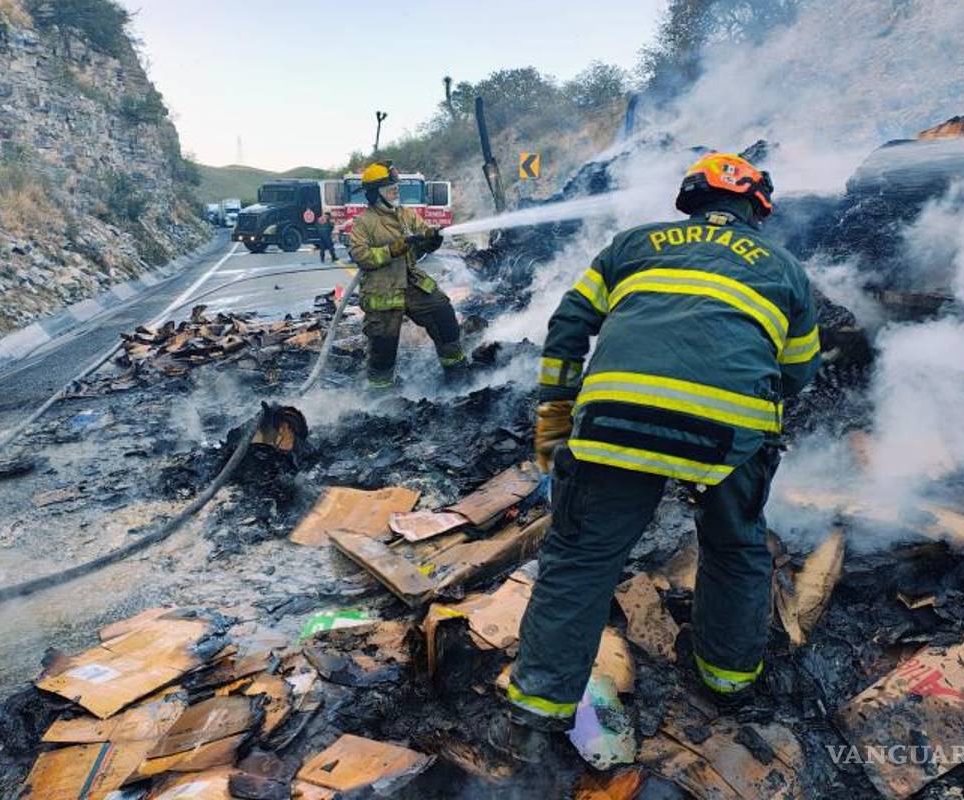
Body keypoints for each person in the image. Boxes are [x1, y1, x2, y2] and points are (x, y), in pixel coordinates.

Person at [492, 152, 822, 762]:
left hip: (615, 421)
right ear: (757, 205)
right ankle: (727, 682)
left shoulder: (632, 245)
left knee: (581, 557)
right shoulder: (786, 269)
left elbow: (568, 326)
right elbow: (799, 373)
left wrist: (555, 412)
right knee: (735, 547)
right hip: (729, 436)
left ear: (691, 199)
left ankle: (534, 717)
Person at [347, 161, 467, 389]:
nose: (395, 191)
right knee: (384, 348)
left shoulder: (406, 215)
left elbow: (422, 244)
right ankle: (380, 398)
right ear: (375, 194)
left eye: (395, 187)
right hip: (382, 291)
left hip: (413, 284)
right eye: (389, 188)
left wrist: (432, 239)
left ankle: (457, 375)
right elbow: (360, 255)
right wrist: (391, 250)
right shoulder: (364, 222)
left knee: (443, 316)